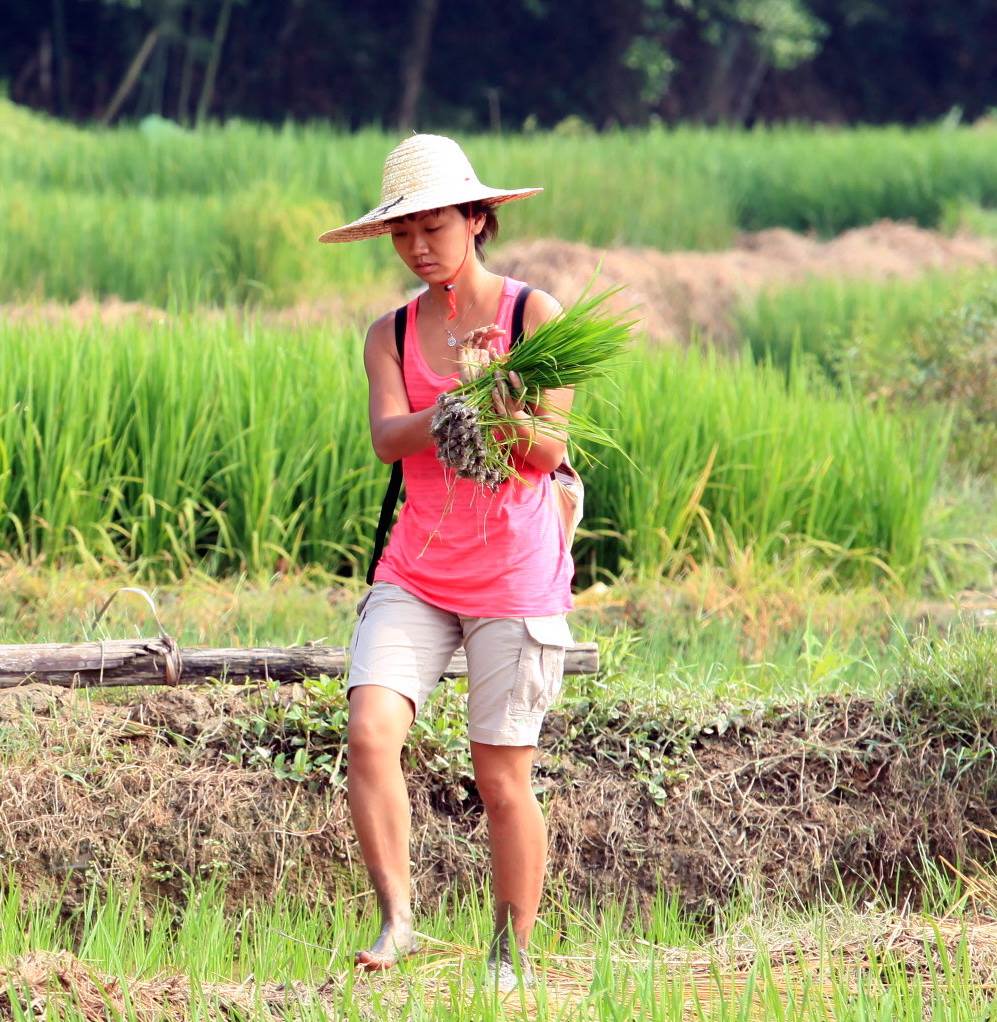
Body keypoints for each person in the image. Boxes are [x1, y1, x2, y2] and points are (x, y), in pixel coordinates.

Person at [318, 133, 575, 991]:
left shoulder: (530, 317)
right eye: (403, 233)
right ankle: (397, 921)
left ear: (477, 218)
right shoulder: (389, 332)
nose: (420, 246)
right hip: (417, 569)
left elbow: (545, 454)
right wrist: (454, 410)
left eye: (435, 226)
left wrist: (502, 410)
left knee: (499, 773)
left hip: (512, 570)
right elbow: (389, 439)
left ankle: (512, 954)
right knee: (368, 734)